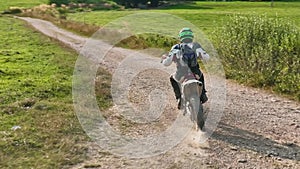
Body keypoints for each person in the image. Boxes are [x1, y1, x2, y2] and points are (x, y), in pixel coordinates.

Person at [161, 27, 209, 109]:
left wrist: (165, 58)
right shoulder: (196, 46)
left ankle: (179, 98)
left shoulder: (176, 47)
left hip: (181, 73)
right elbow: (207, 58)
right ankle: (203, 94)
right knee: (201, 75)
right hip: (195, 72)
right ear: (191, 36)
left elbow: (166, 63)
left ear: (180, 37)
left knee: (172, 78)